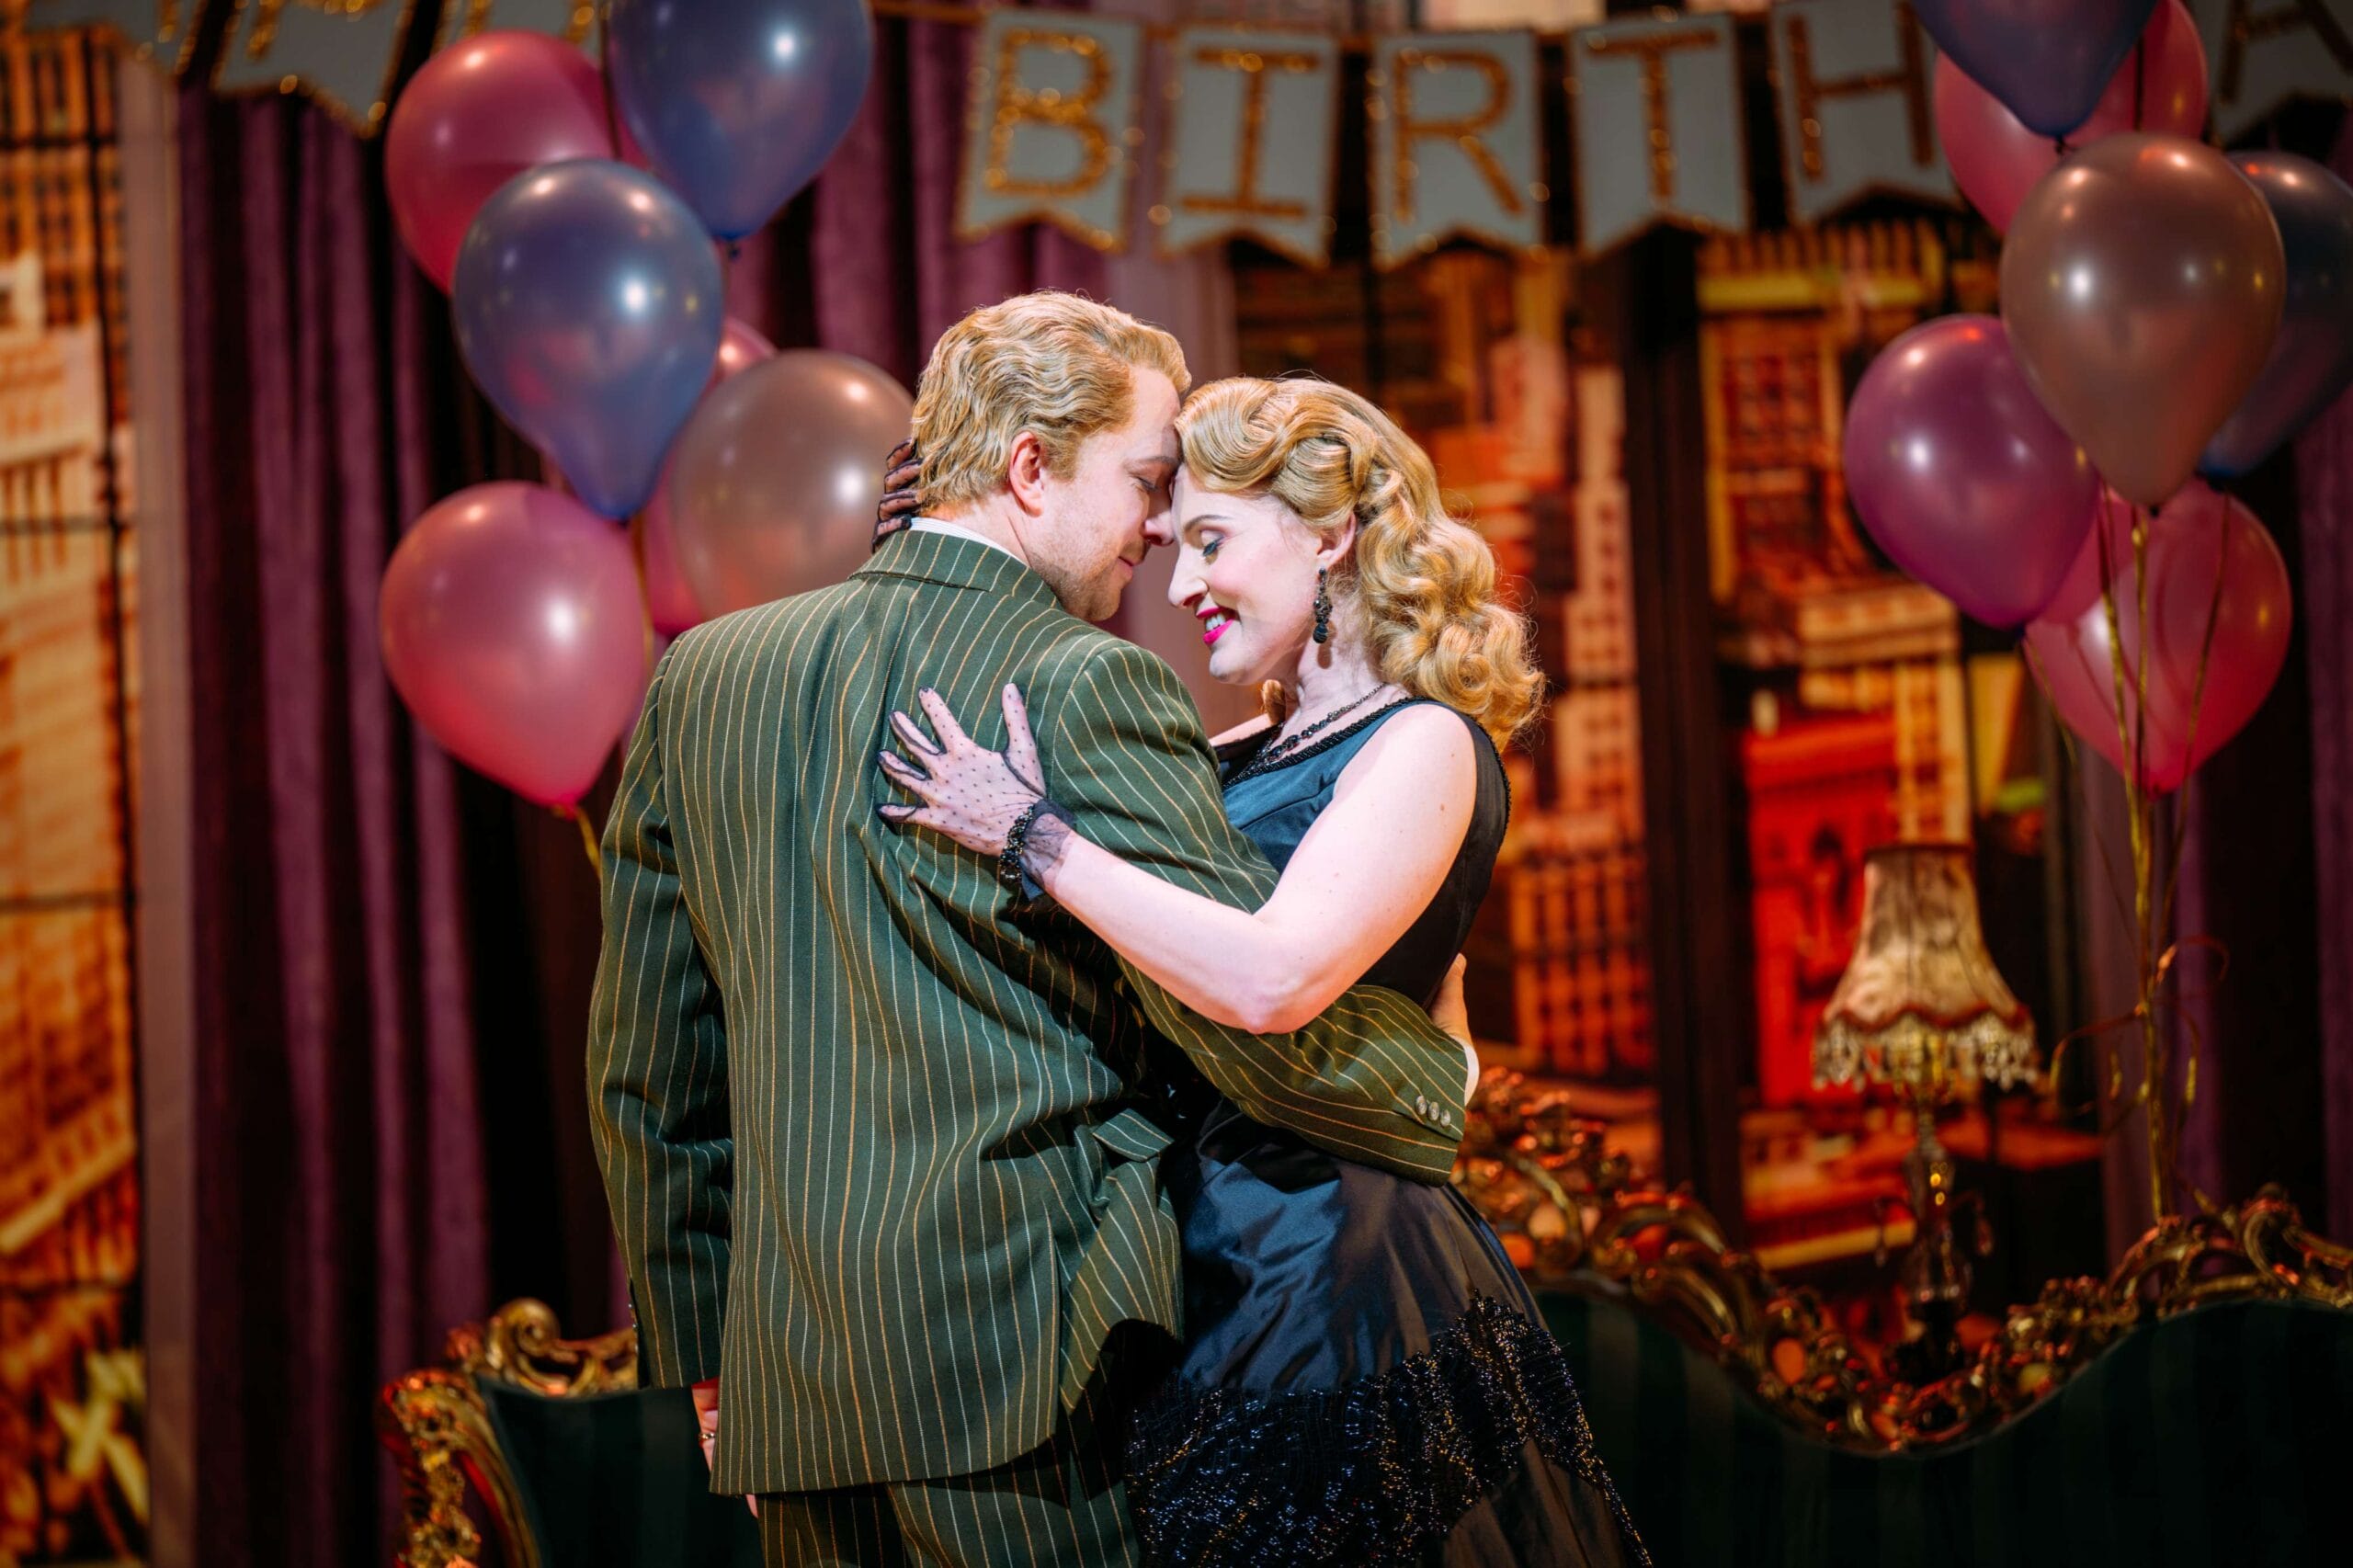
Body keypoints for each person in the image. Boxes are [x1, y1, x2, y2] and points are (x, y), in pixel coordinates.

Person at [585, 293, 1476, 1567]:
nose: (1161, 527)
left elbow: (649, 1082)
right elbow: (1243, 1020)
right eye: (1147, 482)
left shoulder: (704, 678)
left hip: (793, 1395)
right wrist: (1441, 1075)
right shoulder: (1084, 678)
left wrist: (707, 1352)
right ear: (1028, 468)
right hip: (1026, 1374)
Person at [876, 376, 1652, 1566]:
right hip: (1201, 1252)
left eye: (1209, 540)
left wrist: (1040, 834)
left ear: (1332, 532)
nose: (1179, 585)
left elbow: (1274, 979)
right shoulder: (1229, 747)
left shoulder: (1426, 739)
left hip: (1327, 1267)